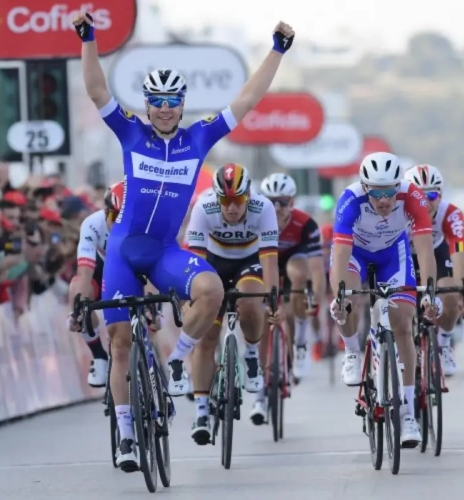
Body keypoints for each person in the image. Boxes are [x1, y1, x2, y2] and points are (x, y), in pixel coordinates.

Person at [72, 10, 295, 471]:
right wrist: (88, 37)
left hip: (164, 252)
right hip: (123, 250)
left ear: (182, 102)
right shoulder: (131, 131)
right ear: (148, 104)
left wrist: (277, 50)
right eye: (157, 100)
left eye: (173, 99)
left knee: (213, 290)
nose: (165, 107)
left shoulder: (199, 137)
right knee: (119, 343)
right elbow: (97, 90)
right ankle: (127, 434)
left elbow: (248, 99)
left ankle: (179, 360)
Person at [330, 152, 440, 448]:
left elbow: (425, 251)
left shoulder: (413, 196)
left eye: (390, 190)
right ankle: (352, 350)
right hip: (355, 254)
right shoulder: (350, 200)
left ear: (398, 186)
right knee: (349, 298)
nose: (384, 199)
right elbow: (339, 255)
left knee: (403, 323)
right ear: (365, 188)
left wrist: (429, 293)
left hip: (394, 255)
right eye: (376, 192)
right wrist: (340, 295)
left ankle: (407, 414)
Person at [185, 164, 282, 441]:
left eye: (238, 201)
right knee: (206, 338)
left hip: (250, 261)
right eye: (225, 201)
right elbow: (195, 263)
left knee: (251, 305)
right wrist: (195, 301)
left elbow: (270, 261)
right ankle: (201, 412)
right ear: (216, 198)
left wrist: (273, 300)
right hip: (212, 263)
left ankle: (251, 353)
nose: (231, 208)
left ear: (248, 196)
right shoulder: (204, 208)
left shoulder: (263, 208)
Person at [403, 165, 464, 376]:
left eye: (432, 194)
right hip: (405, 255)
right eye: (419, 196)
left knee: (451, 292)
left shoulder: (450, 213)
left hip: (437, 253)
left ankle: (444, 343)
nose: (426, 202)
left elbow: (459, 254)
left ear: (441, 194)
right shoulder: (396, 211)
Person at [259, 173, 325, 381]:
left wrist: (316, 300)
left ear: (292, 202)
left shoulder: (306, 224)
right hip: (264, 260)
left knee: (299, 273)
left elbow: (316, 269)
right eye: (271, 202)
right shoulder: (256, 221)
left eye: (282, 203)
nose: (277, 208)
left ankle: (302, 343)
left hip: (292, 259)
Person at [67, 181, 121, 387]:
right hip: (101, 269)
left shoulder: (144, 225)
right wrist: (78, 309)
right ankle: (99, 356)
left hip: (133, 270)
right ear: (105, 212)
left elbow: (152, 271)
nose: (117, 224)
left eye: (123, 218)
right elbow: (85, 271)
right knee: (77, 292)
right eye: (113, 217)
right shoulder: (92, 224)